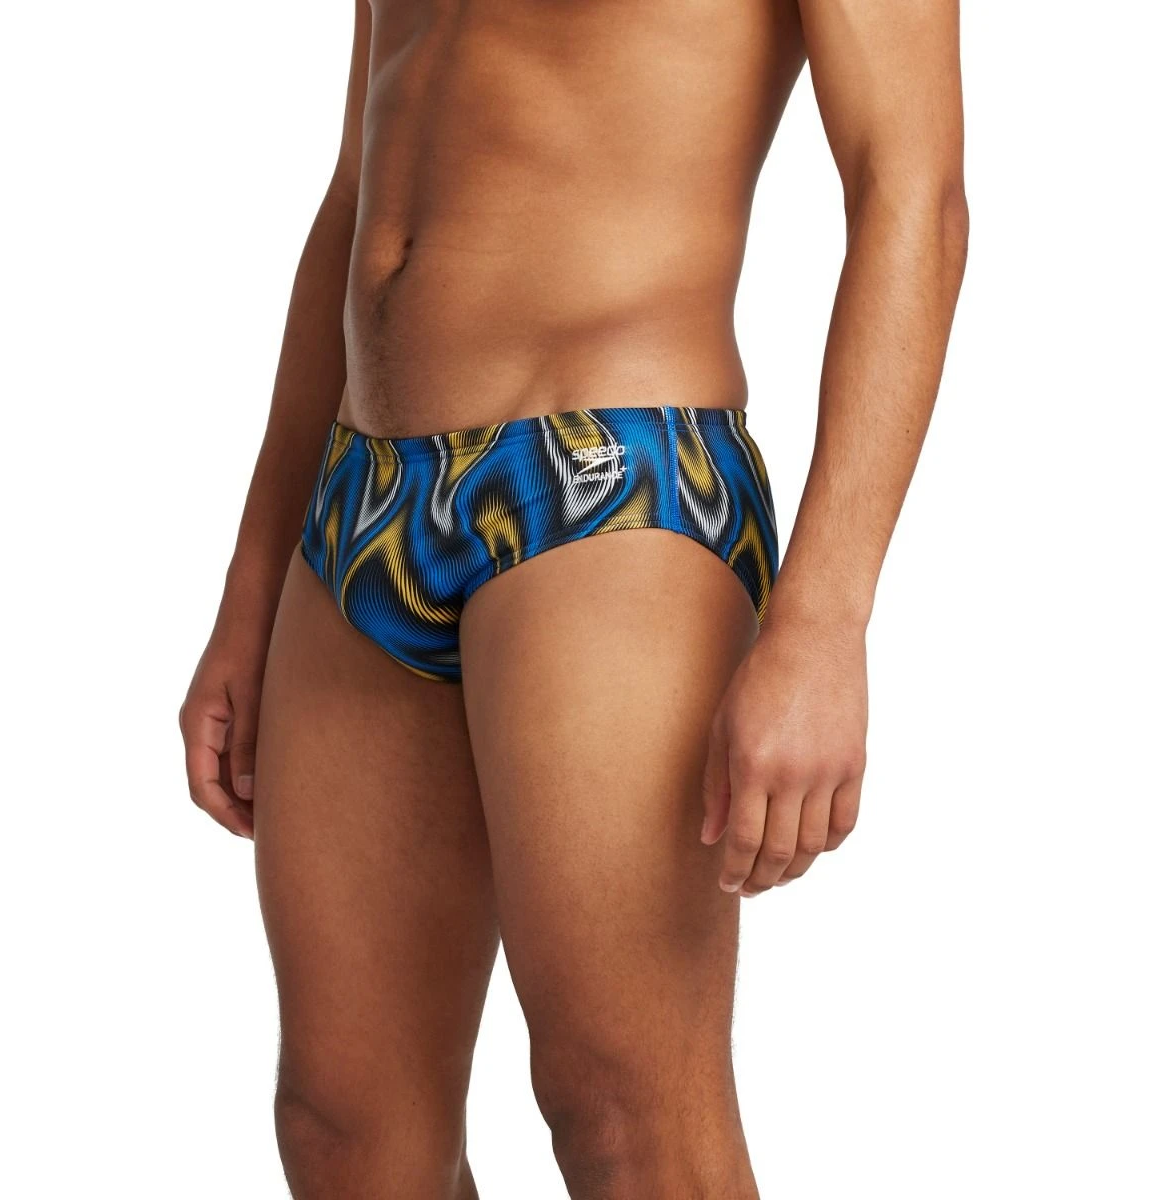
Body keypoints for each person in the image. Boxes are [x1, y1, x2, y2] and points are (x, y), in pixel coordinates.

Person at [180, 0, 967, 1194]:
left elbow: (911, 186)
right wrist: (251, 583)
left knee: (621, 1114)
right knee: (341, 1128)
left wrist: (823, 620)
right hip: (362, 493)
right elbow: (356, 189)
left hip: (608, 479)